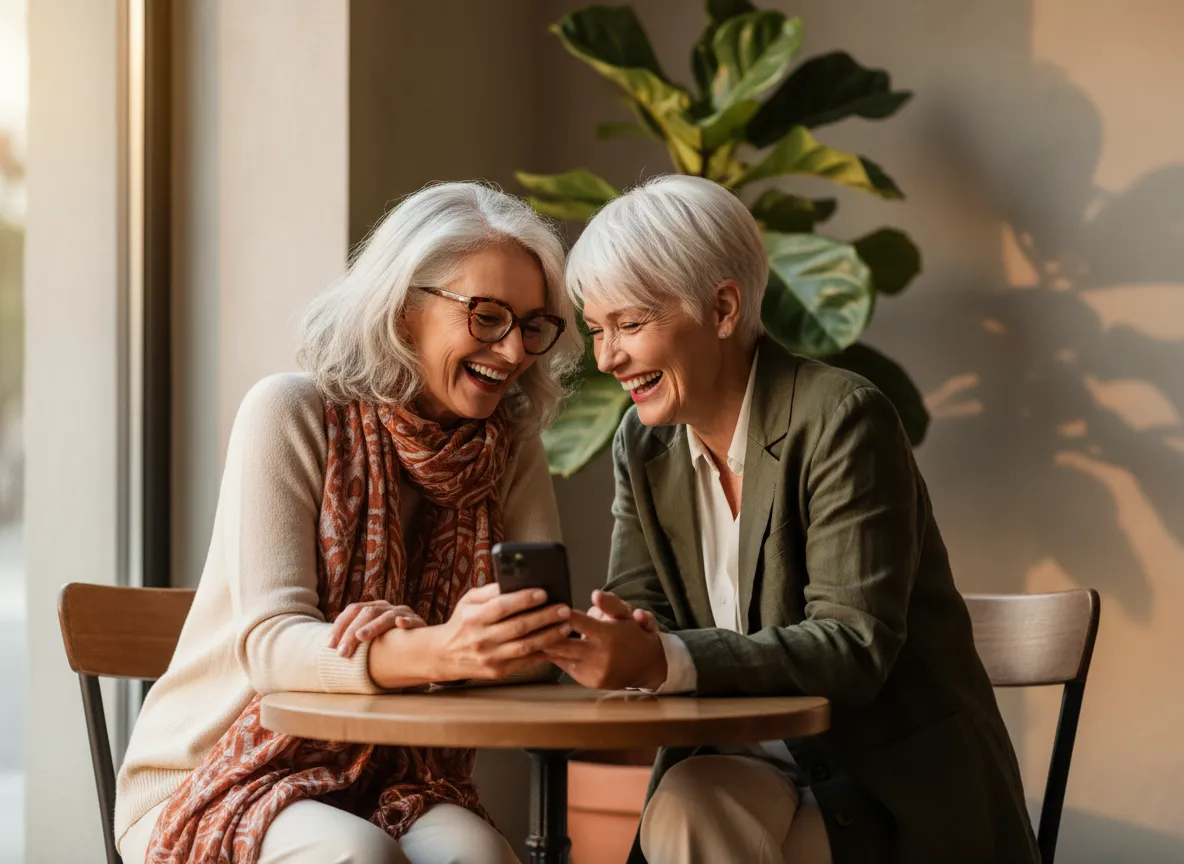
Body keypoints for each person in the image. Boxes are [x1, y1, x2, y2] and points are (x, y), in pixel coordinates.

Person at [543, 175, 1039, 864]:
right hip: (754, 772)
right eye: (598, 330)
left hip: (883, 791)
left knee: (699, 827)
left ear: (722, 308)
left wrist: (667, 658)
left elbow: (852, 644)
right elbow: (638, 611)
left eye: (629, 324)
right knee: (687, 802)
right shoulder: (644, 444)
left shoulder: (841, 418)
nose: (607, 358)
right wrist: (579, 637)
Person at [116, 182, 583, 864]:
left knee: (477, 857)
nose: (513, 352)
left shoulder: (508, 446)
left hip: (398, 778)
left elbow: (538, 644)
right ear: (401, 307)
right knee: (355, 858)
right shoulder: (290, 413)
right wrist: (440, 651)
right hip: (216, 774)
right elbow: (273, 647)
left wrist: (483, 641)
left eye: (532, 325)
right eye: (487, 316)